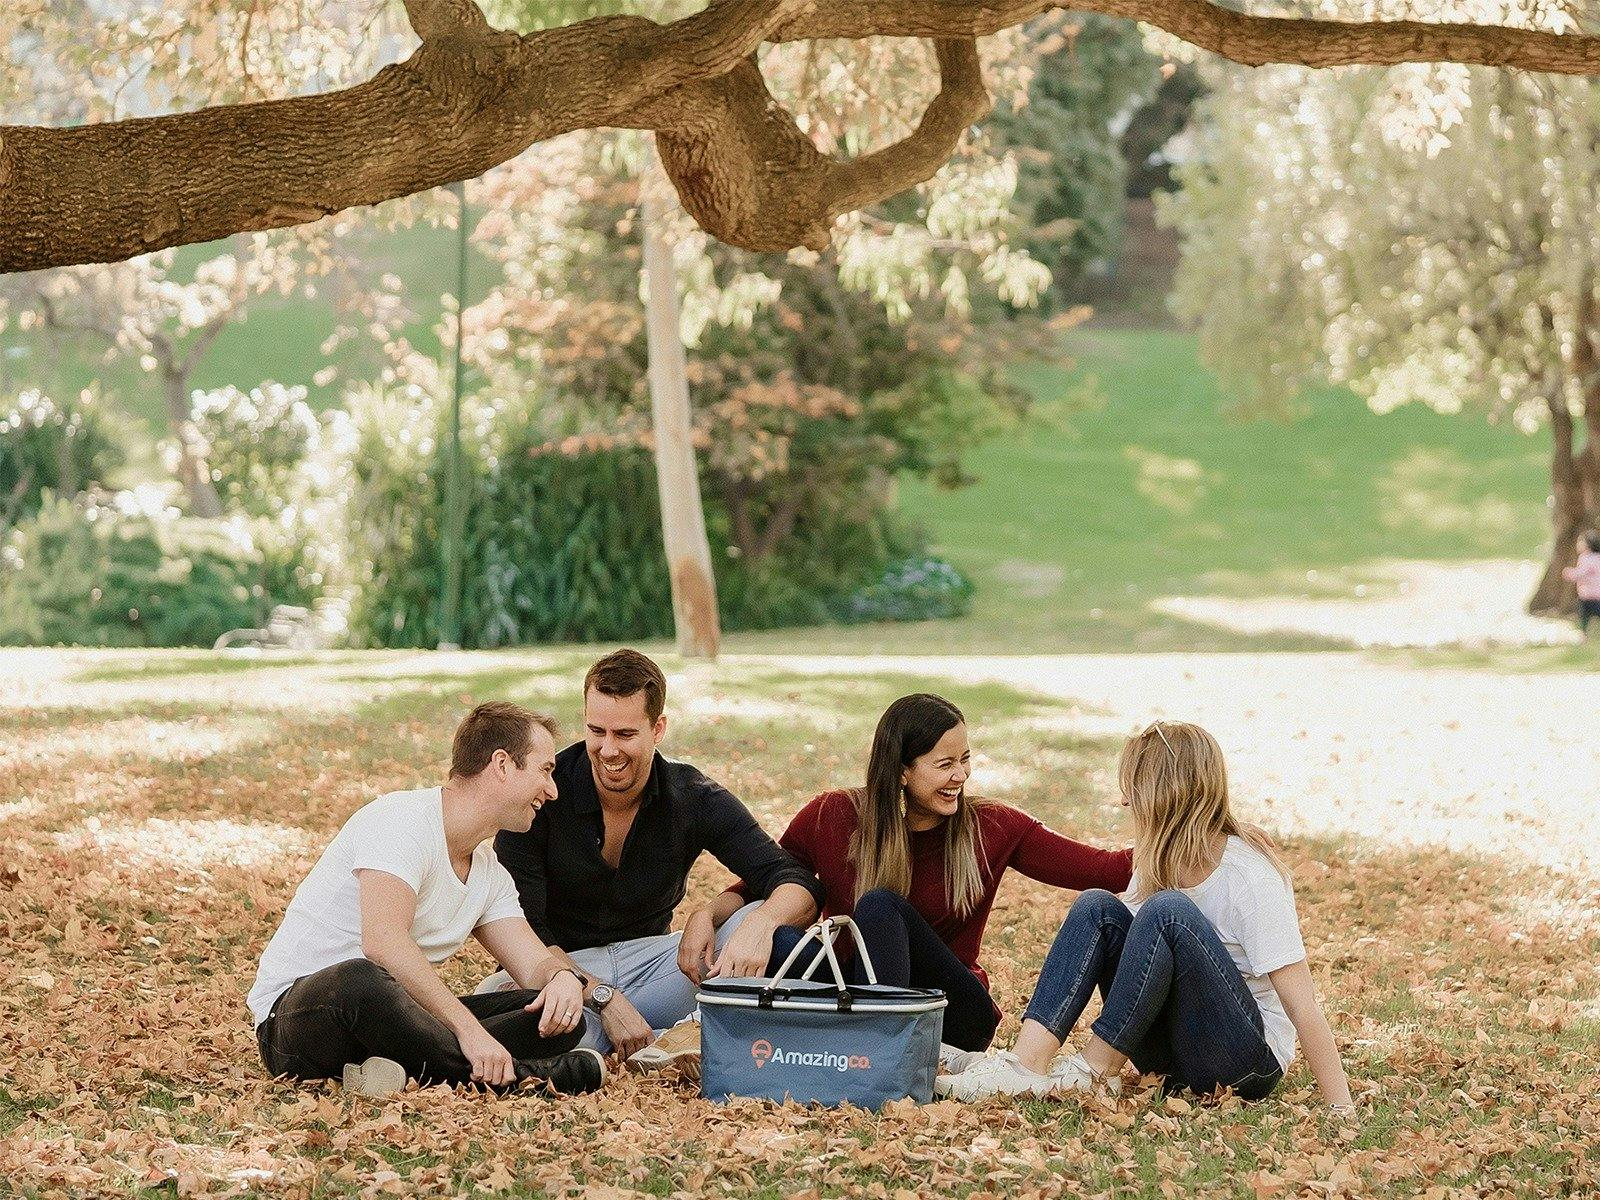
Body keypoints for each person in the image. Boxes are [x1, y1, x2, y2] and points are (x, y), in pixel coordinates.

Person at [936, 721, 1354, 1115]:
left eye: (1133, 788)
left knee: (1167, 912)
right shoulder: (1155, 861)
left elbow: (1303, 1006)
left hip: (1244, 1062)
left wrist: (1341, 1109)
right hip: (1170, 1061)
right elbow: (1136, 962)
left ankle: (1094, 1072)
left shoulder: (1248, 875)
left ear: (1162, 794)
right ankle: (1025, 1065)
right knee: (1097, 906)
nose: (1124, 801)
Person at [702, 692, 1134, 1060]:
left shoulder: (993, 826)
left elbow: (1104, 869)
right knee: (775, 940)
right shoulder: (833, 816)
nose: (961, 776)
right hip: (849, 988)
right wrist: (708, 916)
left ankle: (875, 1050)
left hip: (954, 1013)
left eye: (965, 760)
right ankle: (842, 1037)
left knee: (880, 905)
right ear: (903, 771)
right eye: (945, 764)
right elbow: (763, 883)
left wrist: (1188, 825)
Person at [247, 702, 606, 1097]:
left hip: (395, 1023)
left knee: (552, 1015)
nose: (552, 790)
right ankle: (520, 1078)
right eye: (545, 770)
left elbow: (534, 962)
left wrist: (561, 981)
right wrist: (468, 1031)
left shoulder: (488, 871)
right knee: (361, 977)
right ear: (502, 765)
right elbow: (382, 943)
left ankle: (398, 1069)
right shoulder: (402, 821)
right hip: (301, 1018)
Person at [485, 649, 822, 1063]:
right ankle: (667, 1037)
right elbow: (523, 931)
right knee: (515, 1013)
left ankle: (644, 1038)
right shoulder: (543, 793)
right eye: (596, 731)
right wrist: (605, 999)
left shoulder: (692, 796)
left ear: (657, 728)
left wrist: (748, 920)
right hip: (556, 969)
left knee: (765, 932)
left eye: (625, 734)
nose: (608, 750)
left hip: (653, 966)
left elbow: (796, 881)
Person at [1561, 529, 1600, 636]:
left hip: (1588, 595)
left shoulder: (1585, 558)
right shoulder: (1598, 557)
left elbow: (1582, 573)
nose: (1578, 545)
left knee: (1584, 615)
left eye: (1580, 542)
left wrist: (1569, 573)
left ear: (1588, 545)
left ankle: (1583, 633)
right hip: (1596, 594)